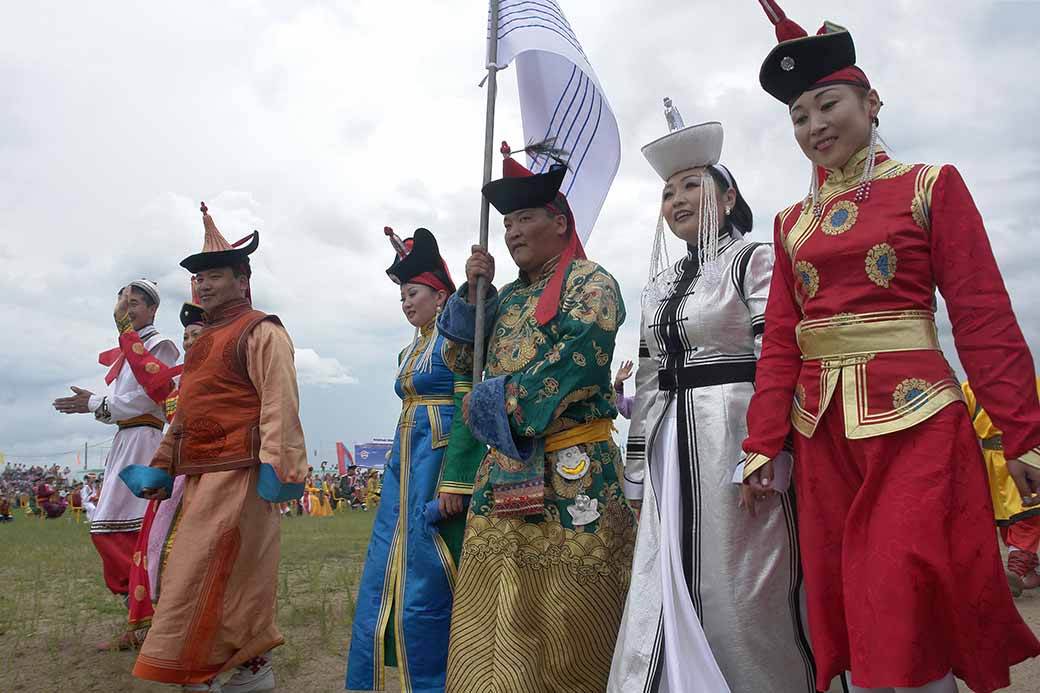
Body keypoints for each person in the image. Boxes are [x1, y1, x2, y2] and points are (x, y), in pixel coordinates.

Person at [740, 3, 1040, 692]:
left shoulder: (930, 188)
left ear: (871, 102)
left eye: (828, 103)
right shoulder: (791, 224)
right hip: (822, 435)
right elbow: (782, 342)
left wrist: (1023, 432)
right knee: (851, 601)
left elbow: (983, 314)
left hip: (918, 425)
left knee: (902, 587)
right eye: (799, 117)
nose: (814, 125)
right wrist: (763, 442)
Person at [609, 108, 816, 692]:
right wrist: (636, 466)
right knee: (666, 567)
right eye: (668, 191)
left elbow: (777, 354)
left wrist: (766, 447)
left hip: (734, 430)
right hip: (672, 440)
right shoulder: (657, 285)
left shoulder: (754, 259)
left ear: (727, 199)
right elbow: (648, 376)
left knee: (742, 576)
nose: (676, 199)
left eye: (692, 185)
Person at [438, 144, 637, 692]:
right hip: (501, 476)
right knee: (495, 611)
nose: (512, 231)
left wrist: (491, 405)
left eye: (525, 217)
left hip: (574, 473)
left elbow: (578, 359)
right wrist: (471, 298)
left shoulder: (591, 283)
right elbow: (460, 363)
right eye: (506, 222)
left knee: (570, 615)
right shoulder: (502, 298)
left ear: (560, 222)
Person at [122, 202, 307, 692]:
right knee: (184, 569)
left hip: (243, 474)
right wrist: (163, 466)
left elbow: (279, 402)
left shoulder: (261, 330)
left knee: (231, 573)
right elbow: (184, 415)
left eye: (214, 276)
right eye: (198, 279)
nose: (202, 286)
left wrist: (280, 468)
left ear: (242, 281)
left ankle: (248, 670)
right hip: (200, 476)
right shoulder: (202, 343)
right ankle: (209, 669)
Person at [346, 227, 485, 693]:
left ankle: (440, 680)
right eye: (402, 296)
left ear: (440, 295)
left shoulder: (454, 339)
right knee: (388, 570)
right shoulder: (411, 348)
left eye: (413, 293)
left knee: (431, 576)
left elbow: (468, 408)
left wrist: (457, 480)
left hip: (436, 465)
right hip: (404, 468)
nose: (406, 303)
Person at [52, 279, 179, 608]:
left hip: (143, 440)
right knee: (116, 528)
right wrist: (96, 404)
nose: (128, 308)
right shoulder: (128, 351)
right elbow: (126, 403)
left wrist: (95, 403)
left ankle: (147, 609)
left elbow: (145, 400)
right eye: (124, 302)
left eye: (135, 302)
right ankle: (140, 610)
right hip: (127, 438)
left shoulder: (161, 345)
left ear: (153, 310)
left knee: (120, 528)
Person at [125, 296, 205, 638]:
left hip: (208, 473)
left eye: (196, 335)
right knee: (155, 543)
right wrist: (126, 331)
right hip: (172, 472)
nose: (188, 343)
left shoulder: (223, 377)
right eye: (185, 337)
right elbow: (148, 373)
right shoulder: (177, 380)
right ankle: (161, 621)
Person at [963, 377, 1040, 595]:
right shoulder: (969, 387)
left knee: (1027, 514)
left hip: (1026, 456)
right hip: (990, 463)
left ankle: (1014, 571)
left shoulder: (1030, 381)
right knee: (1006, 523)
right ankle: (1032, 569)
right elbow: (964, 427)